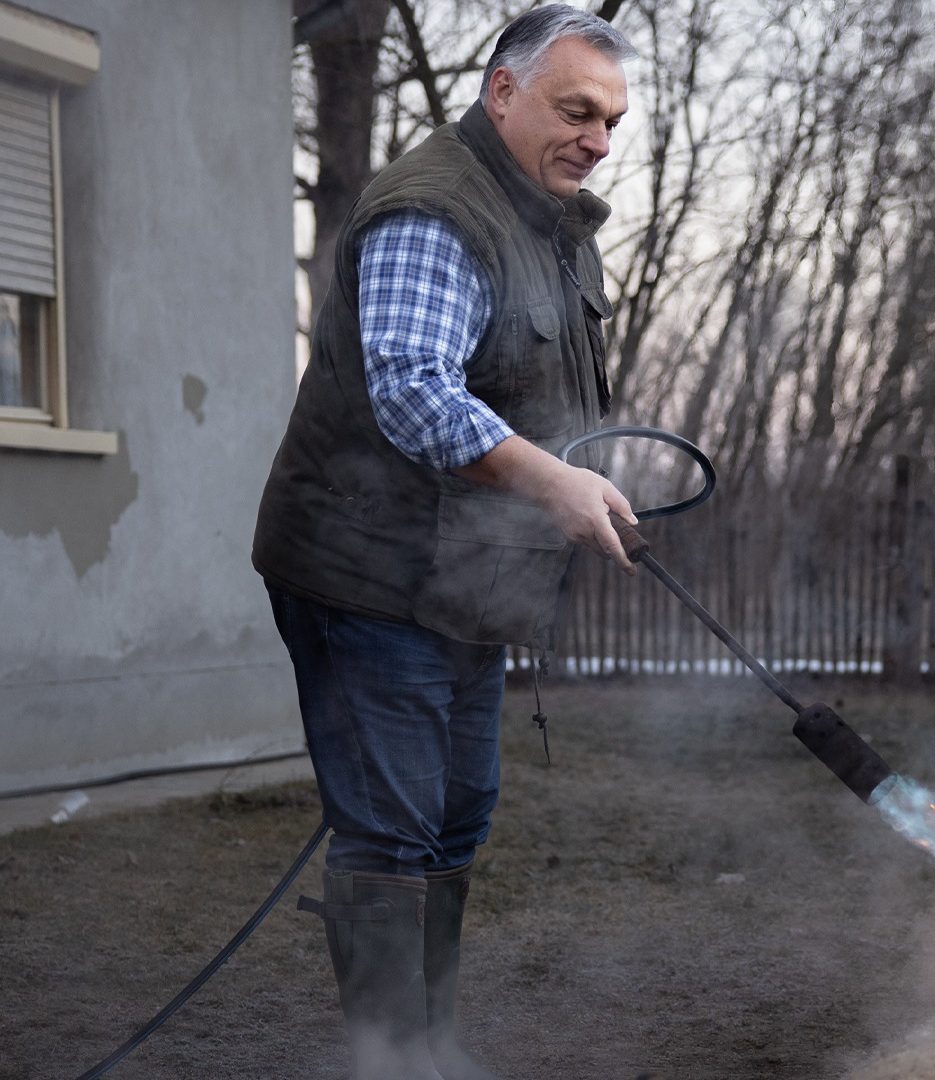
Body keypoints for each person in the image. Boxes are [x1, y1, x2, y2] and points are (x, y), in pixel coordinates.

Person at [253, 7, 638, 1078]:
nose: (598, 139)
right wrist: (553, 480)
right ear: (502, 91)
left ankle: (426, 1048)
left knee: (459, 812)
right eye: (576, 110)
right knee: (393, 832)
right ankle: (393, 1063)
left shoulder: (551, 226)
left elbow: (527, 389)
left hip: (465, 584)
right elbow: (415, 396)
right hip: (367, 575)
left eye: (612, 120)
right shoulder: (437, 211)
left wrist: (570, 480)